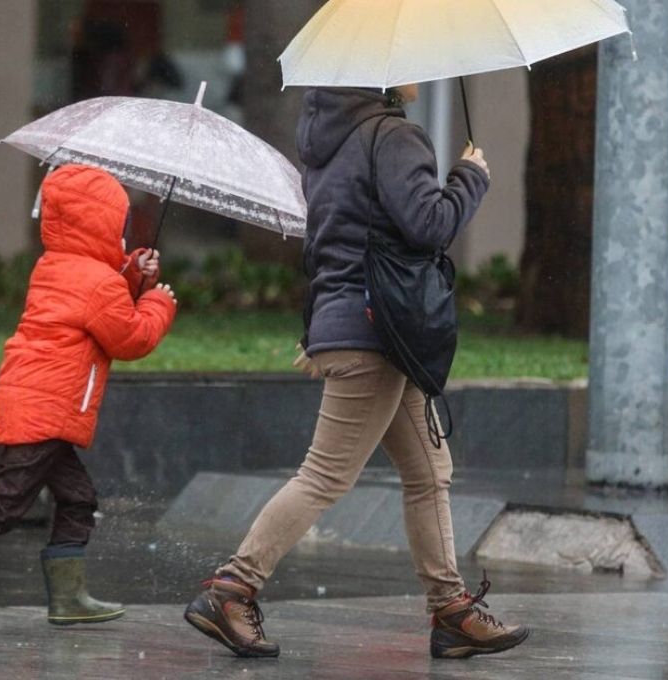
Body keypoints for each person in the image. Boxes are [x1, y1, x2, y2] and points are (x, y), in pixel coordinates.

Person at [184, 85, 528, 659]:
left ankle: (451, 611)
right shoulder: (393, 136)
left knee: (428, 470)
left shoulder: (330, 142)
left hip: (364, 328)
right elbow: (429, 224)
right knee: (325, 476)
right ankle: (233, 587)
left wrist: (319, 325)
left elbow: (323, 242)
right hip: (378, 330)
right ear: (384, 76)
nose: (421, 76)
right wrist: (471, 176)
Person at [0, 164, 178, 629]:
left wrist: (132, 271)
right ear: (102, 224)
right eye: (120, 227)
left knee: (78, 498)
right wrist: (157, 301)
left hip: (35, 401)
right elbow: (130, 338)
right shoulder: (97, 284)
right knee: (3, 504)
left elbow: (97, 296)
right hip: (49, 409)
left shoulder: (56, 266)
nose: (123, 235)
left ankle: (69, 598)